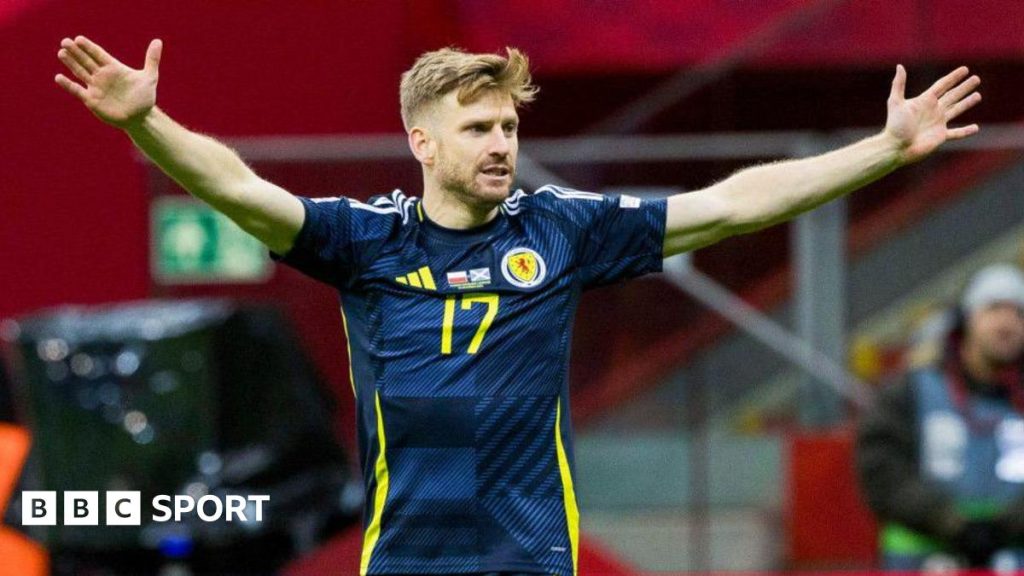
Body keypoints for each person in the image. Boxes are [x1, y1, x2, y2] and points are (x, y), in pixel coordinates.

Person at [54, 35, 981, 576]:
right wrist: (145, 121)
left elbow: (734, 205)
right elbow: (241, 191)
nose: (501, 143)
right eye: (478, 127)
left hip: (531, 562)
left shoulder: (561, 229)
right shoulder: (365, 240)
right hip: (409, 562)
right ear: (421, 140)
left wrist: (883, 151)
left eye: (508, 125)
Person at [857, 264, 1024, 571]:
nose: (1007, 322)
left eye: (1019, 313)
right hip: (920, 561)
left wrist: (1007, 526)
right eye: (994, 308)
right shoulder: (911, 390)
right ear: (967, 318)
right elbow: (881, 469)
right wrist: (948, 521)